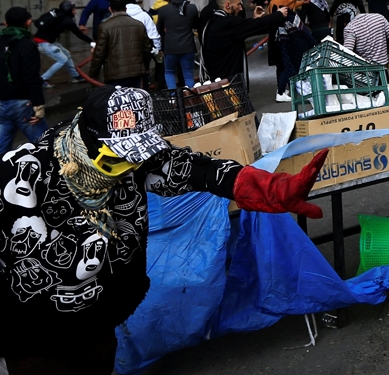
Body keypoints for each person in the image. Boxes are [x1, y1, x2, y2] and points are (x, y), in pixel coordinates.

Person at [0, 85, 329, 374]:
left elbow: (190, 169)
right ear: (87, 141)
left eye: (137, 158)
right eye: (118, 160)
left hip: (98, 313)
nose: (131, 168)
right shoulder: (23, 173)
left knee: (98, 364)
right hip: (32, 329)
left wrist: (259, 186)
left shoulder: (135, 159)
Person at [201, 0, 287, 85]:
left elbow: (246, 28)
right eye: (238, 4)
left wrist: (254, 20)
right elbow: (259, 25)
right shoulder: (229, 23)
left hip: (218, 80)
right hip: (228, 83)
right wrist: (279, 14)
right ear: (228, 5)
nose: (241, 8)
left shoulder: (213, 22)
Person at [0, 7, 47, 151]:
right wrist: (38, 106)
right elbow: (31, 78)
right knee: (44, 145)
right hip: (23, 104)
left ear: (5, 23)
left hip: (2, 103)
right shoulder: (27, 46)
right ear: (28, 22)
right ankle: (49, 172)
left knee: (2, 147)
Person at [90, 0, 151, 89]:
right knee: (138, 101)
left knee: (119, 102)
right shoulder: (138, 25)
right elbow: (147, 49)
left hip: (115, 74)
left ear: (110, 9)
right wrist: (146, 68)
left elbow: (99, 54)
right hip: (137, 73)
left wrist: (93, 74)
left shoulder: (104, 27)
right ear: (125, 9)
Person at [33, 1, 91, 88]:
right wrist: (92, 42)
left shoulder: (56, 12)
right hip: (43, 43)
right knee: (62, 59)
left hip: (44, 41)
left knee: (66, 54)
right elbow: (79, 34)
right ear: (68, 10)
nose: (75, 12)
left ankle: (76, 76)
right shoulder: (67, 21)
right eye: (73, 10)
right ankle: (43, 79)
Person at [156, 0, 200, 90]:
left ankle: (173, 97)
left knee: (169, 72)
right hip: (188, 46)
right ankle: (191, 97)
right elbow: (195, 26)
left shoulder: (163, 10)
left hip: (170, 48)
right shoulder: (192, 8)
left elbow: (159, 30)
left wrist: (161, 46)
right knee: (188, 74)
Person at [343, 10, 389, 75]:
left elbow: (347, 53)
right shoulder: (379, 18)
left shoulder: (350, 28)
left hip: (366, 73)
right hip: (382, 68)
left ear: (344, 22)